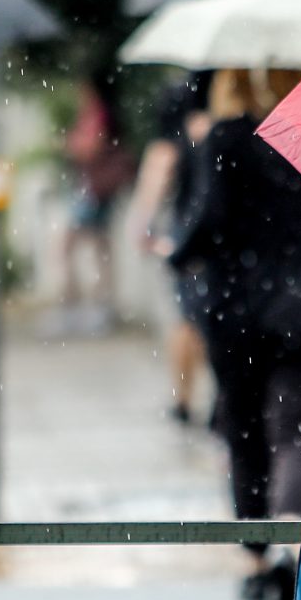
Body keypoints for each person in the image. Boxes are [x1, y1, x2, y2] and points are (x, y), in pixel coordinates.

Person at [170, 66, 301, 600]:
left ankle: (256, 555)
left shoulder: (226, 139)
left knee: (243, 426)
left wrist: (176, 250)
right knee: (299, 426)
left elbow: (207, 220)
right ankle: (287, 543)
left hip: (238, 308)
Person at [129, 71, 214, 424]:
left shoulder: (178, 100)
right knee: (212, 319)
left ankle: (183, 399)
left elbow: (160, 163)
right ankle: (219, 399)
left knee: (187, 320)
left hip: (186, 235)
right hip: (222, 233)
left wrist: (143, 224)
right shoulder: (223, 104)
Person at [57, 79, 131, 332]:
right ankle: (96, 306)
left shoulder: (96, 115)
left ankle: (87, 307)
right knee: (97, 248)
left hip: (93, 191)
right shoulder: (93, 115)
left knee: (79, 247)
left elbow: (91, 148)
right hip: (93, 189)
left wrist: (72, 144)